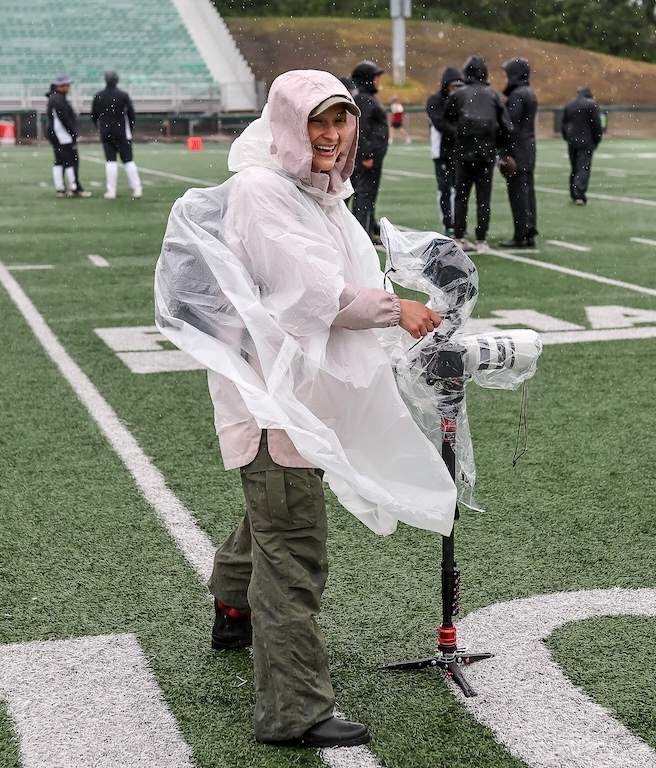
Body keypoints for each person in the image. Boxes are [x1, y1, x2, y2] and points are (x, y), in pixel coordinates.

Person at [154, 69, 457, 749]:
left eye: (339, 121)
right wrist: (394, 310)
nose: (329, 135)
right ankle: (294, 711)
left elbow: (341, 277)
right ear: (288, 125)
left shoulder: (315, 193)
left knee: (272, 513)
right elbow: (313, 297)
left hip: (293, 399)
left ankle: (232, 606)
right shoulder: (266, 193)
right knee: (293, 549)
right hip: (273, 402)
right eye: (315, 122)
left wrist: (392, 306)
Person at [445, 55, 514, 254]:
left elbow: (446, 119)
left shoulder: (459, 95)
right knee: (483, 198)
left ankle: (459, 236)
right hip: (485, 154)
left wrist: (458, 135)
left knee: (461, 196)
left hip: (463, 153)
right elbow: (507, 126)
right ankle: (482, 238)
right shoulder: (494, 96)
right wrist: (497, 146)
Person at [499, 57, 538, 248]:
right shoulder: (528, 92)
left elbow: (510, 125)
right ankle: (529, 230)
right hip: (528, 148)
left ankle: (521, 233)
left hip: (517, 150)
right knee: (527, 192)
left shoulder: (517, 95)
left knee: (518, 194)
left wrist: (503, 151)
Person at [350, 60, 389, 245]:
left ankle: (369, 229)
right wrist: (367, 156)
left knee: (368, 196)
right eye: (375, 77)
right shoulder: (364, 100)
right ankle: (361, 236)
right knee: (364, 196)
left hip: (372, 158)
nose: (378, 81)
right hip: (367, 160)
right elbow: (361, 130)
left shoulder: (365, 99)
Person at [91, 71, 143, 199]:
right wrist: (129, 128)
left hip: (106, 132)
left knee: (110, 161)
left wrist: (101, 128)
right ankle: (137, 188)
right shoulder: (123, 96)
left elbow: (94, 115)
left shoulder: (99, 96)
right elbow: (131, 115)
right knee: (128, 161)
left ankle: (111, 191)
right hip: (122, 133)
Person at [426, 66, 463, 235]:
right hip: (441, 152)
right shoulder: (435, 100)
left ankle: (457, 222)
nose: (455, 90)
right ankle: (448, 222)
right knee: (445, 188)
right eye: (452, 86)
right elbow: (440, 124)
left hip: (457, 151)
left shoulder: (461, 100)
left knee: (457, 189)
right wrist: (459, 130)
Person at [45, 74, 91, 198]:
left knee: (59, 161)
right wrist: (73, 132)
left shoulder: (54, 98)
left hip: (57, 135)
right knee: (70, 161)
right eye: (67, 84)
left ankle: (60, 188)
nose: (69, 87)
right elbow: (64, 119)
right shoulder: (58, 99)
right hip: (62, 136)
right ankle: (75, 187)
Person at [561, 86, 603, 205]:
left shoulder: (570, 105)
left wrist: (567, 137)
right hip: (586, 140)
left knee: (574, 168)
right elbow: (597, 124)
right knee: (583, 167)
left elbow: (563, 123)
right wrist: (597, 139)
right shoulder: (591, 105)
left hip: (572, 140)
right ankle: (579, 194)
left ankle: (574, 193)